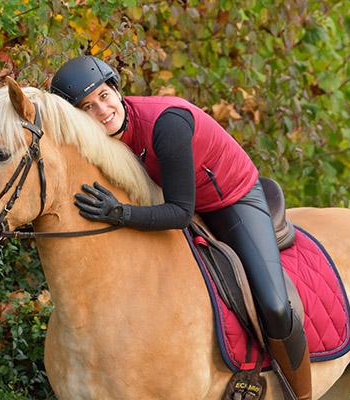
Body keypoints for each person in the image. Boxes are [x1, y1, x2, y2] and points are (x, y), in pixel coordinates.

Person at [50, 55, 311, 400]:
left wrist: (120, 214)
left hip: (230, 200)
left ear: (115, 89)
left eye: (103, 95)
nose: (101, 110)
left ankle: (300, 394)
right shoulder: (98, 141)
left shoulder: (167, 124)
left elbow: (179, 214)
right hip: (176, 197)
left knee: (276, 305)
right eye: (87, 107)